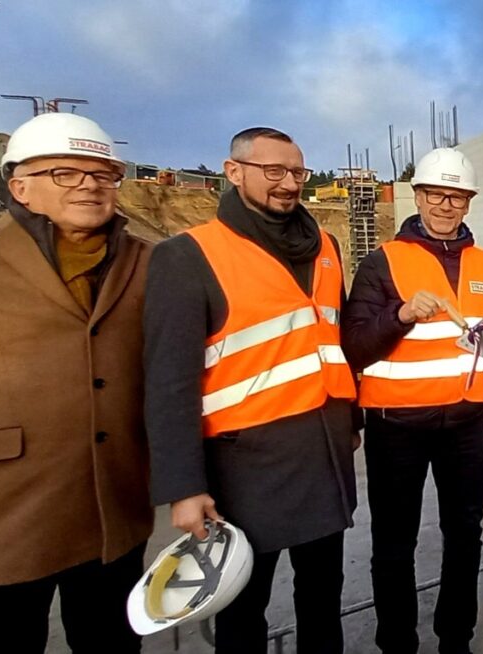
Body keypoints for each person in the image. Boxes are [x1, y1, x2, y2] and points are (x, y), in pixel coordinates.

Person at [144, 127, 359, 654]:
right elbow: (168, 382)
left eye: (297, 172)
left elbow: (337, 339)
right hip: (242, 470)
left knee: (322, 599)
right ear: (234, 171)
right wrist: (183, 487)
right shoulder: (189, 256)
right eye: (273, 171)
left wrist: (352, 423)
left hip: (323, 457)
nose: (288, 183)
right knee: (242, 610)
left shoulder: (326, 247)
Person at [0, 113, 153, 653]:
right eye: (65, 173)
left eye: (103, 173)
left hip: (112, 505)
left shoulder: (150, 262)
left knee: (113, 641)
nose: (90, 184)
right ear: (19, 185)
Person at [342, 147, 483, 654]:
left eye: (458, 197)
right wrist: (399, 315)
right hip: (395, 424)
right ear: (418, 196)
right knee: (395, 543)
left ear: (468, 202)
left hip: (466, 423)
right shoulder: (384, 262)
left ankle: (455, 639)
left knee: (464, 533)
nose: (447, 205)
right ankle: (397, 643)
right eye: (437, 194)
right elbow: (354, 344)